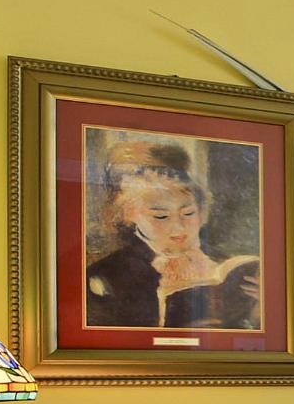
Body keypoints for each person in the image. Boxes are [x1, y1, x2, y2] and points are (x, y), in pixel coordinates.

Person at [85, 139, 260, 331]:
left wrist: (259, 311)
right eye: (160, 216)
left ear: (201, 212)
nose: (178, 227)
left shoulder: (224, 263)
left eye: (188, 213)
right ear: (129, 216)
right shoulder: (105, 277)